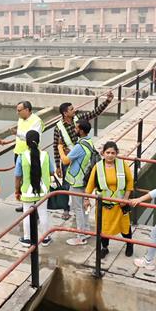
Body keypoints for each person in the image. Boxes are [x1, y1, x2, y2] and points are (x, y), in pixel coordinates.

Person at [54, 91, 114, 220]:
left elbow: (94, 112)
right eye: (71, 109)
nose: (74, 110)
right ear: (65, 113)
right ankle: (67, 209)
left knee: (84, 183)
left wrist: (107, 101)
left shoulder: (79, 120)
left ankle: (82, 208)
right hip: (68, 160)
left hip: (82, 159)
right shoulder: (59, 127)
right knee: (66, 185)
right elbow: (55, 145)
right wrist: (57, 166)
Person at [84, 141, 134, 258]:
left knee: (125, 226)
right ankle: (104, 247)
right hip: (104, 205)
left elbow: (130, 182)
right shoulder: (98, 167)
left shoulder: (123, 165)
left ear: (116, 153)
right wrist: (86, 199)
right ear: (103, 153)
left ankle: (129, 245)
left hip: (120, 205)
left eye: (113, 153)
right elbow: (90, 184)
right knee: (103, 228)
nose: (110, 155)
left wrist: (125, 199)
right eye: (108, 152)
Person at [57, 119, 97, 246]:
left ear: (81, 130)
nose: (74, 130)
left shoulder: (80, 146)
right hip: (86, 180)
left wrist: (60, 148)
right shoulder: (88, 142)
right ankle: (86, 230)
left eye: (76, 128)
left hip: (77, 181)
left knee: (78, 208)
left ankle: (80, 236)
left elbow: (64, 161)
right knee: (84, 207)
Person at [15, 130, 54, 247]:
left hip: (27, 192)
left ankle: (27, 239)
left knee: (27, 214)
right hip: (43, 191)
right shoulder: (45, 155)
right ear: (38, 141)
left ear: (26, 142)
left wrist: (17, 190)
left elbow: (18, 176)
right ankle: (45, 238)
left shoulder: (21, 156)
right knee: (43, 214)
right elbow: (52, 172)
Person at [13, 101, 43, 212]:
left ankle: (35, 202)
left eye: (19, 110)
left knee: (32, 178)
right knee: (21, 180)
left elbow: (33, 137)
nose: (17, 113)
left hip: (31, 155)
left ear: (27, 110)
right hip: (19, 153)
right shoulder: (21, 119)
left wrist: (17, 133)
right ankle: (24, 201)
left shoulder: (36, 121)